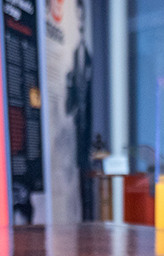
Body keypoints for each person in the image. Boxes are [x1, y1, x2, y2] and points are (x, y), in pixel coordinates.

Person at [65, 0, 94, 220]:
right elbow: (68, 107)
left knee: (90, 189)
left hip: (90, 134)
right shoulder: (74, 57)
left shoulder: (91, 57)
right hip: (77, 132)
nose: (80, 21)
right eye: (77, 16)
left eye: (81, 15)